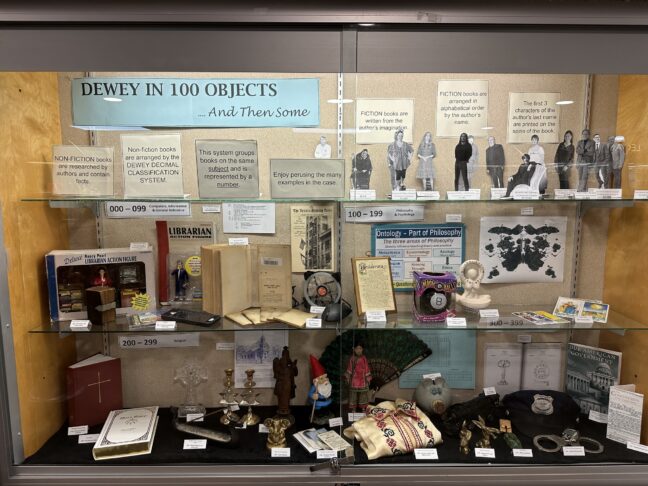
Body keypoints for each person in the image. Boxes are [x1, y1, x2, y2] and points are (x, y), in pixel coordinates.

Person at [344, 341, 372, 412]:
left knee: (363, 395)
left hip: (363, 379)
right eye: (357, 348)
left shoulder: (364, 358)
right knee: (353, 395)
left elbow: (366, 368)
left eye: (360, 348)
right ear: (354, 349)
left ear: (362, 349)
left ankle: (363, 407)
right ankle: (353, 408)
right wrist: (347, 377)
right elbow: (350, 368)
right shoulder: (352, 358)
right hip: (354, 380)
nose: (358, 350)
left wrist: (368, 378)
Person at [273, 346, 298, 419]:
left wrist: (294, 366)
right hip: (281, 385)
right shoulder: (279, 367)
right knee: (281, 399)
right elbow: (276, 375)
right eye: (284, 355)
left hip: (287, 385)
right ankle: (281, 412)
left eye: (287, 355)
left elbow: (296, 373)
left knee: (286, 399)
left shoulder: (290, 368)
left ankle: (285, 412)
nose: (285, 359)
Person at [307, 355, 333, 424]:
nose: (323, 380)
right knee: (319, 412)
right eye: (321, 378)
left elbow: (329, 390)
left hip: (327, 401)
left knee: (326, 411)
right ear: (316, 379)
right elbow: (309, 393)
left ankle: (326, 415)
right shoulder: (315, 386)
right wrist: (313, 395)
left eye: (324, 377)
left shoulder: (327, 383)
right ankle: (318, 416)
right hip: (318, 403)